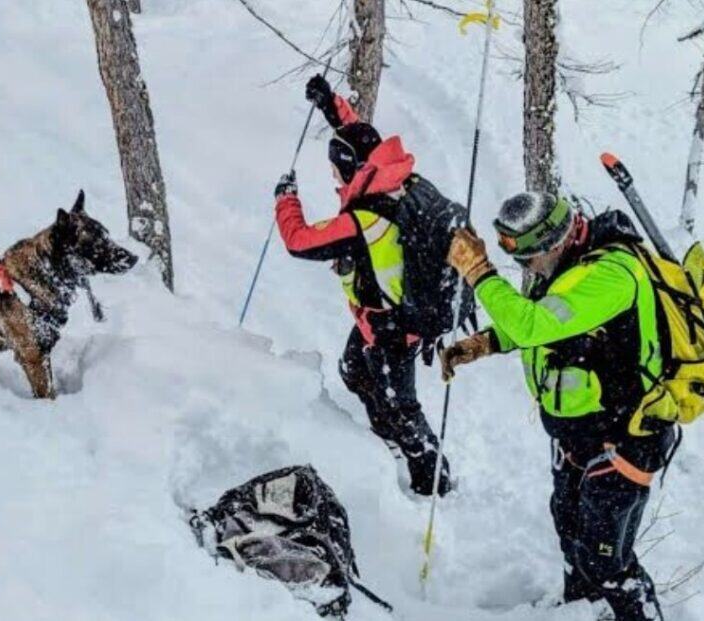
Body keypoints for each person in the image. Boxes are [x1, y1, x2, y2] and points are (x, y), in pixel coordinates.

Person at [440, 192, 672, 620]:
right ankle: (579, 611)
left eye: (528, 259)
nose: (526, 268)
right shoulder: (569, 264)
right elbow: (552, 323)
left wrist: (478, 272)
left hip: (626, 438)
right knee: (570, 533)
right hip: (578, 437)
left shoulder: (611, 275)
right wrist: (486, 343)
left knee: (608, 563)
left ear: (553, 242)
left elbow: (535, 324)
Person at [272, 75, 451, 497]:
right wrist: (330, 104)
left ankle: (434, 482)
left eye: (336, 169)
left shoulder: (363, 221)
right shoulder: (396, 177)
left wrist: (286, 200)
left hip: (394, 327)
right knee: (354, 369)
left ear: (351, 169)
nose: (334, 176)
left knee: (403, 407)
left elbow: (300, 242)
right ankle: (384, 433)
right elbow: (359, 138)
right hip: (379, 319)